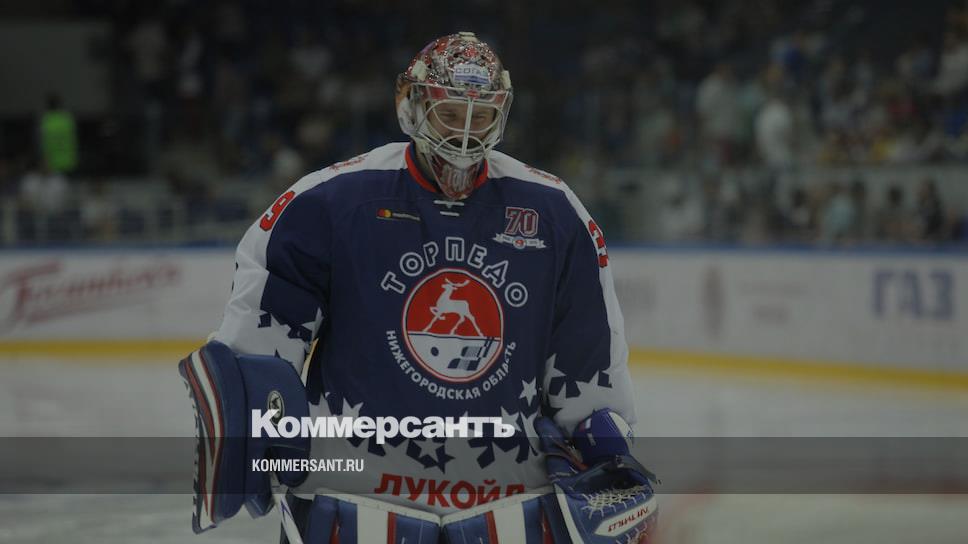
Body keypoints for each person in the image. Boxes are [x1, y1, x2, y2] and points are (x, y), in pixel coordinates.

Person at [178, 32, 656, 543]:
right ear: (413, 105)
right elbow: (260, 351)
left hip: (505, 492)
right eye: (450, 113)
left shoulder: (554, 212)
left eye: (481, 116)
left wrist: (604, 446)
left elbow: (586, 358)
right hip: (356, 487)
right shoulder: (332, 202)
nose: (466, 134)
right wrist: (258, 429)